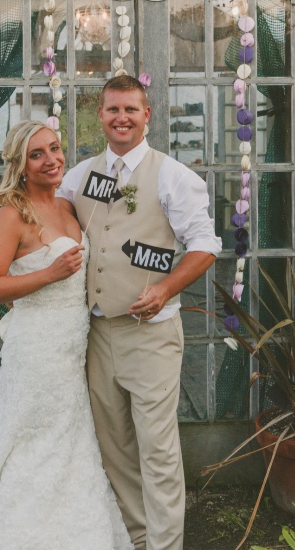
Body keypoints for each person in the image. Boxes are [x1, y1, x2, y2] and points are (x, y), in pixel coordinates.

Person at [0, 121, 133, 550]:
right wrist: (47, 274)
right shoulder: (12, 215)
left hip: (72, 344)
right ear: (21, 166)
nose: (51, 160)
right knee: (32, 436)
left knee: (69, 437)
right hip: (37, 350)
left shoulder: (69, 206)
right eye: (37, 154)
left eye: (55, 149)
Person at [57, 76, 222, 550]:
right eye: (112, 110)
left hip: (151, 335)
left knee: (158, 449)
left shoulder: (172, 175)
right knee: (116, 449)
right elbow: (55, 222)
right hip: (96, 334)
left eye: (131, 109)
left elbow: (206, 243)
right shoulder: (80, 175)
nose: (121, 118)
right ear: (100, 117)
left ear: (147, 115)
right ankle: (138, 539)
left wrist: (166, 287)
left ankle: (167, 546)